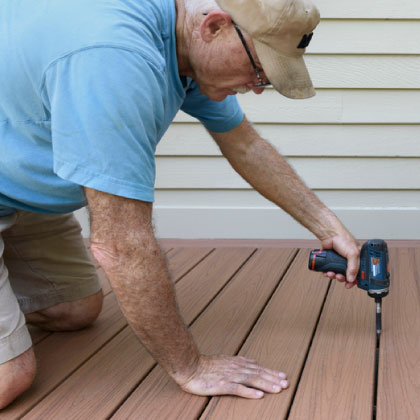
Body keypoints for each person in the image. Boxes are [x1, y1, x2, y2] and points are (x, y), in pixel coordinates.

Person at [0, 0, 361, 409]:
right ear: (215, 27)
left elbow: (245, 145)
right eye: (259, 70)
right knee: (10, 379)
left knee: (74, 310)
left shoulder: (184, 42)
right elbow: (120, 247)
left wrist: (328, 227)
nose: (258, 86)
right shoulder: (115, 60)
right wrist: (190, 366)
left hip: (18, 189)